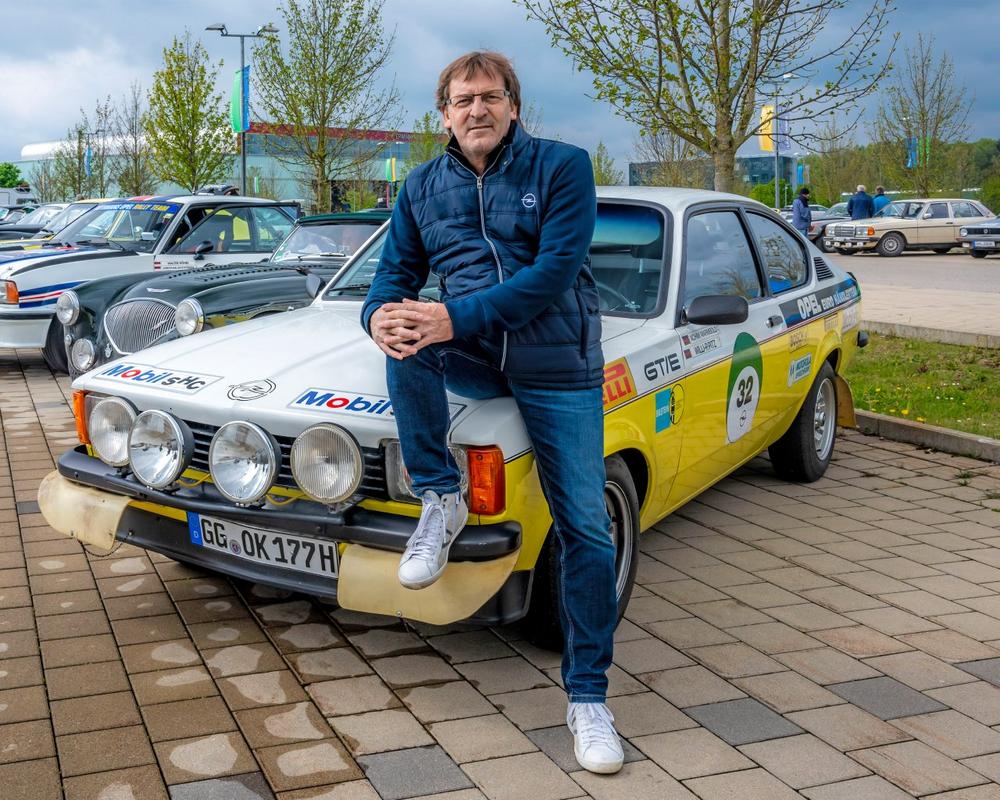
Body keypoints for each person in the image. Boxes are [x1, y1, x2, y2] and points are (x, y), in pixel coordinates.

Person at [361, 51, 623, 775]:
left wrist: (448, 317)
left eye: (490, 97)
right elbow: (390, 279)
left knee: (586, 531)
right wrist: (379, 318)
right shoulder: (420, 187)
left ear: (513, 105)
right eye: (461, 99)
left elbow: (553, 274)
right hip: (473, 351)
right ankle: (440, 498)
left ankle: (589, 697)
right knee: (403, 335)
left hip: (556, 363)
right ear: (442, 113)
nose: (476, 109)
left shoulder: (562, 167)